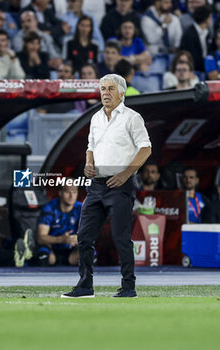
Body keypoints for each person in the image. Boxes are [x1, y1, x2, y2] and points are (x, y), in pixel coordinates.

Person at [61, 74, 151, 298]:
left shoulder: (132, 118)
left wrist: (125, 174)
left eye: (110, 88)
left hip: (120, 185)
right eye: (102, 89)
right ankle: (85, 285)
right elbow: (90, 146)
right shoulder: (95, 118)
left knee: (121, 238)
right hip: (96, 186)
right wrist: (89, 164)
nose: (105, 93)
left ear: (122, 93)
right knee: (84, 236)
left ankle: (128, 287)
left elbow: (146, 149)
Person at [37, 184, 82, 266]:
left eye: (74, 192)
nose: (71, 196)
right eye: (68, 192)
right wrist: (61, 239)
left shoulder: (81, 208)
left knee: (90, 253)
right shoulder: (50, 208)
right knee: (42, 253)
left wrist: (78, 238)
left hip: (72, 253)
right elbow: (40, 238)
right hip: (52, 251)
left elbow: (89, 235)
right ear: (60, 193)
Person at [180, 4, 212, 75]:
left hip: (205, 68)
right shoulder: (189, 34)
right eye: (210, 17)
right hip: (193, 70)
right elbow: (190, 56)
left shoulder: (207, 32)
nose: (211, 20)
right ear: (205, 18)